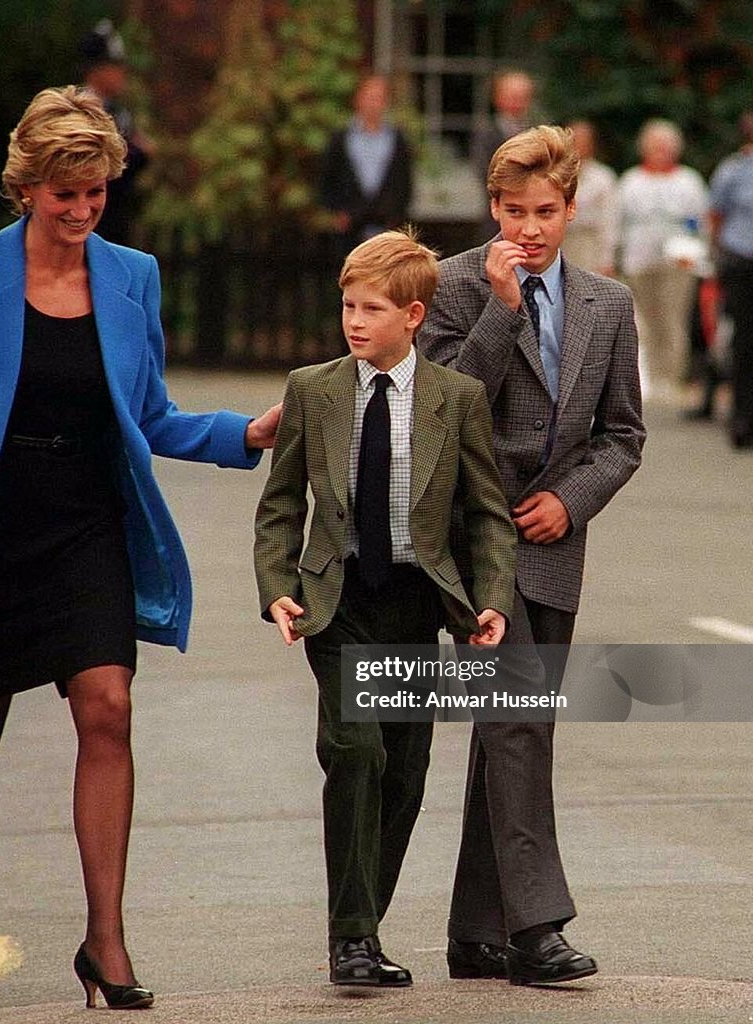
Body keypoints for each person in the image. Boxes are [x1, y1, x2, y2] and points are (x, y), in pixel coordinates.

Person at [0, 85, 280, 1016]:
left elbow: (149, 417)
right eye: (66, 192)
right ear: (29, 186)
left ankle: (105, 938)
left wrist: (242, 435)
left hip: (86, 519)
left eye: (96, 191)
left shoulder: (131, 275)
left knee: (107, 707)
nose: (82, 209)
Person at [254, 229, 516, 988]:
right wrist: (276, 582)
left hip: (415, 604)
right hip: (337, 604)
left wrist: (489, 601)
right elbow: (279, 505)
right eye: (347, 306)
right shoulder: (313, 389)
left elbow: (487, 514)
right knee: (356, 752)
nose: (354, 321)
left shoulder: (455, 400)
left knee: (403, 772)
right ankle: (352, 940)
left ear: (413, 316)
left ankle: (363, 926)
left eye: (371, 308)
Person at [418, 125, 645, 986]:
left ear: (569, 209)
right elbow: (441, 406)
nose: (529, 228)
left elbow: (622, 435)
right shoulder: (449, 287)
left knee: (512, 725)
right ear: (491, 206)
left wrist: (570, 499)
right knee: (514, 715)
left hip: (553, 537)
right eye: (513, 210)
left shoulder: (607, 304)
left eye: (544, 212)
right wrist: (500, 309)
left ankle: (474, 929)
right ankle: (535, 930)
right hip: (472, 539)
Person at [617, 119, 709, 401]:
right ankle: (652, 378)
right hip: (639, 260)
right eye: (655, 146)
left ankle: (673, 377)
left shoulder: (688, 180)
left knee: (674, 319)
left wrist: (695, 253)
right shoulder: (631, 180)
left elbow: (700, 222)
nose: (660, 151)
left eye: (665, 146)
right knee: (646, 320)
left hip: (677, 261)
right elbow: (619, 222)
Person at [80, 19, 155, 247]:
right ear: (97, 70)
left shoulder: (118, 110)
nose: (122, 74)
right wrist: (138, 152)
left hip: (117, 213)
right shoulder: (81, 109)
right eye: (115, 67)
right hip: (89, 220)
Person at [320, 74, 413, 258]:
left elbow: (405, 181)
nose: (373, 104)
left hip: (385, 224)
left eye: (378, 98)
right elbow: (327, 177)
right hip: (349, 225)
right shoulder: (341, 138)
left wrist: (396, 216)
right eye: (369, 97)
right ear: (358, 99)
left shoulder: (397, 139)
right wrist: (337, 212)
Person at [708, 109, 753, 448]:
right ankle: (742, 417)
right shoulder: (732, 170)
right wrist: (718, 257)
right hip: (741, 260)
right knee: (743, 340)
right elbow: (716, 215)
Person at [471, 70, 536, 238]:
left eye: (522, 98)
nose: (518, 103)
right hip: (497, 220)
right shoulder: (486, 132)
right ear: (498, 98)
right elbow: (484, 172)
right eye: (513, 97)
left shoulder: (538, 132)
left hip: (534, 217)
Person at [561, 120, 618, 276]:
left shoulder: (604, 177)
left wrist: (607, 260)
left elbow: (609, 221)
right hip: (562, 242)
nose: (578, 145)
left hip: (590, 244)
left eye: (583, 141)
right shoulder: (555, 175)